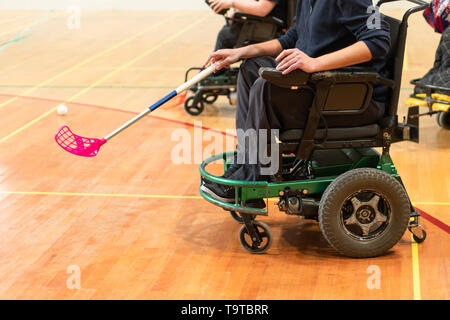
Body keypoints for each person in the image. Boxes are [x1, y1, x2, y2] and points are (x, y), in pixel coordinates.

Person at [201, 0, 392, 204]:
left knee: (265, 86)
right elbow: (291, 38)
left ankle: (252, 176)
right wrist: (240, 52)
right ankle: (246, 162)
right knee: (251, 68)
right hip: (320, 88)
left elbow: (378, 40)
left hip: (351, 99)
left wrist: (314, 63)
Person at [208, 0, 288, 50]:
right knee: (230, 28)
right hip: (267, 25)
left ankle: (215, 72)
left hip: (273, 30)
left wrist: (232, 3)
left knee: (225, 34)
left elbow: (262, 9)